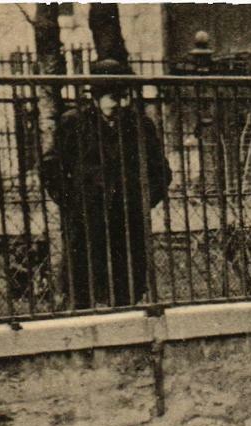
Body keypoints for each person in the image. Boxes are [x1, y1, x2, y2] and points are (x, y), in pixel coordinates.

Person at [42, 59, 171, 310]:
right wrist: (71, 201)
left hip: (127, 216)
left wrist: (142, 202)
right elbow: (51, 167)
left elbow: (161, 172)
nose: (121, 104)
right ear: (96, 97)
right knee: (84, 282)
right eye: (113, 97)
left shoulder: (140, 125)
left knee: (128, 285)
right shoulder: (73, 123)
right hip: (86, 216)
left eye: (125, 97)